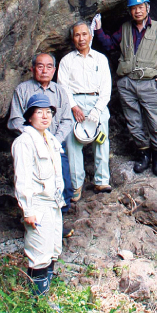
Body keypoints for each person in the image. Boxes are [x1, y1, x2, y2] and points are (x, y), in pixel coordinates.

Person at [94, 0, 157, 177]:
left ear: (147, 7)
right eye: (133, 8)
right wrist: (98, 29)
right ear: (130, 11)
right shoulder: (124, 29)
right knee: (134, 122)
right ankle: (143, 155)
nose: (137, 11)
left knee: (155, 122)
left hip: (149, 83)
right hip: (127, 84)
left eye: (141, 7)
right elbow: (109, 45)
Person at [8, 53, 74, 237]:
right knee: (33, 185)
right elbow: (15, 119)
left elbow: (67, 120)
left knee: (65, 184)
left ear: (54, 70)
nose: (44, 70)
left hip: (54, 146)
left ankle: (57, 222)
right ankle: (32, 221)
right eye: (40, 66)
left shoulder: (60, 91)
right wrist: (34, 138)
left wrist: (54, 140)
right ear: (32, 69)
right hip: (31, 147)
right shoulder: (22, 90)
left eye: (49, 66)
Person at [11, 93, 66, 296]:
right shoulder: (24, 142)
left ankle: (45, 296)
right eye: (39, 112)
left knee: (52, 250)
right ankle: (36, 303)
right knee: (38, 252)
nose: (45, 116)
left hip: (53, 203)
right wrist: (28, 210)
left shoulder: (50, 139)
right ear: (30, 116)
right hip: (38, 205)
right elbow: (23, 179)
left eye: (49, 112)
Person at [57, 21, 113, 199]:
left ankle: (101, 180)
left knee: (101, 140)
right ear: (73, 38)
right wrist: (73, 106)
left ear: (90, 36)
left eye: (84, 34)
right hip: (75, 103)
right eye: (77, 35)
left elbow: (106, 87)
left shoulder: (100, 59)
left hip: (97, 101)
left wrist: (97, 110)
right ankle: (76, 185)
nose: (81, 38)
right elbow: (62, 86)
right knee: (73, 144)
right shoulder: (67, 61)